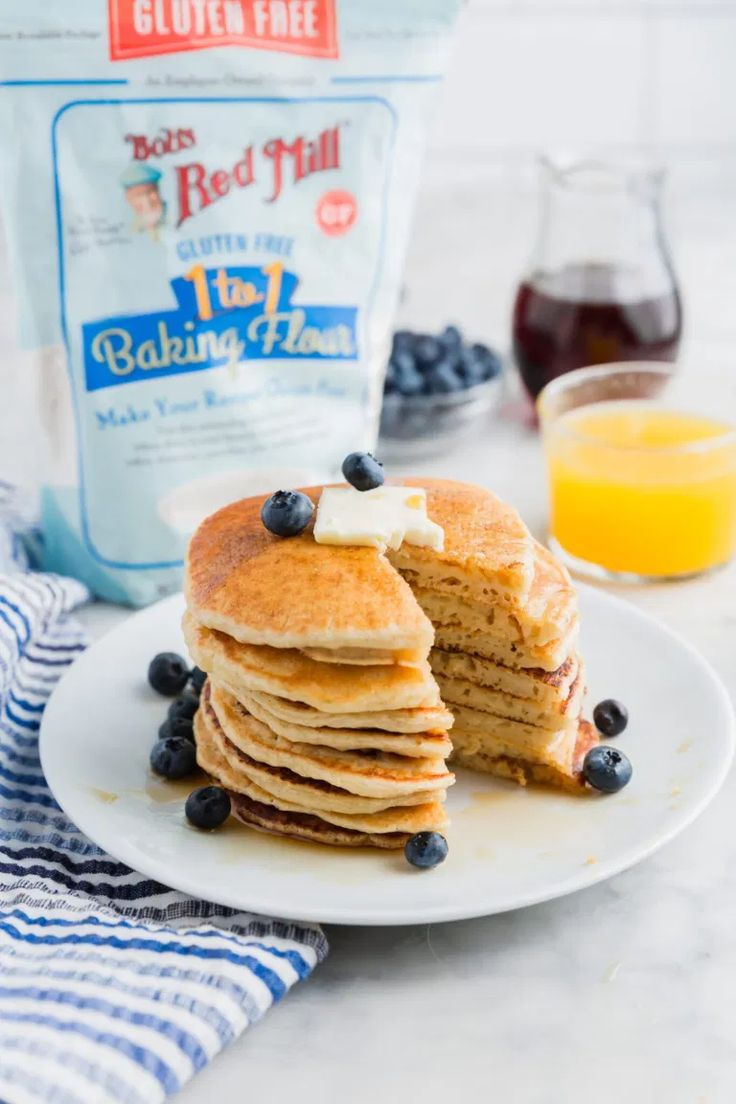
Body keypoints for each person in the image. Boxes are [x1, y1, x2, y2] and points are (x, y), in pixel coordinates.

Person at [120, 161, 166, 239]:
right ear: (128, 198)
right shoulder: (129, 230)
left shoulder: (175, 221)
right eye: (139, 195)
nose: (147, 201)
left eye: (152, 191)